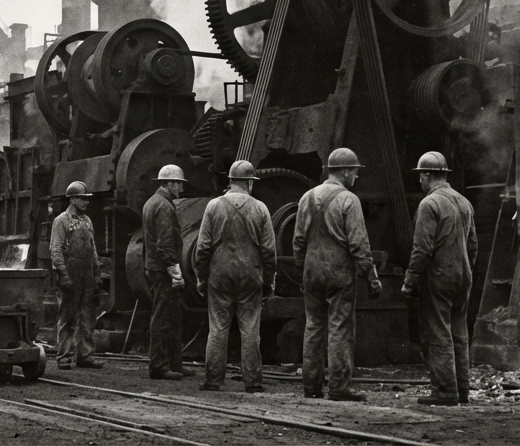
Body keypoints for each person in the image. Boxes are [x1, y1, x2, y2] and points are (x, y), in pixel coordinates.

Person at [293, 148, 383, 402]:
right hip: (339, 273)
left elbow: (298, 241)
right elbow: (359, 244)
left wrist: (302, 271)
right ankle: (339, 388)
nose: (356, 177)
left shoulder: (307, 198)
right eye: (354, 171)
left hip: (312, 272)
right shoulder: (348, 200)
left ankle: (311, 386)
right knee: (340, 328)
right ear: (345, 171)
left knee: (313, 326)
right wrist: (372, 277)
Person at [193, 159, 276, 392]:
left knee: (218, 327)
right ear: (250, 182)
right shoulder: (260, 208)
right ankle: (253, 382)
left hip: (219, 275)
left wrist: (202, 277)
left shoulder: (213, 207)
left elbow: (202, 249)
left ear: (230, 181)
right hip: (251, 276)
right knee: (250, 329)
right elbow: (269, 251)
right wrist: (268, 281)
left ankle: (213, 380)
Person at [402, 151, 477, 406]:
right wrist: (465, 269)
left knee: (438, 332)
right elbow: (473, 246)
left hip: (440, 275)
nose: (419, 182)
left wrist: (410, 280)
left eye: (420, 176)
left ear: (426, 175)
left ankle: (445, 391)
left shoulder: (429, 204)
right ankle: (462, 390)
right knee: (459, 331)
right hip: (463, 275)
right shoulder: (464, 202)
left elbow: (422, 248)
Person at [50, 181, 104, 370]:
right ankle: (64, 357)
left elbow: (93, 248)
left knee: (88, 316)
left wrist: (97, 272)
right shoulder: (61, 221)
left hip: (87, 274)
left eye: (87, 199)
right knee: (67, 316)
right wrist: (63, 275)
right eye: (82, 199)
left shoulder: (87, 221)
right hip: (70, 273)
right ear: (72, 199)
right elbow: (56, 250)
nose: (86, 202)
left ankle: (85, 356)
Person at [142, 165, 188, 380]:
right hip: (162, 270)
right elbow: (164, 244)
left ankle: (175, 363)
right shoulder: (164, 206)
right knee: (162, 317)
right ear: (169, 183)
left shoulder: (153, 202)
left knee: (173, 316)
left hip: (156, 267)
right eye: (178, 183)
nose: (181, 188)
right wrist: (175, 271)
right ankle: (159, 366)